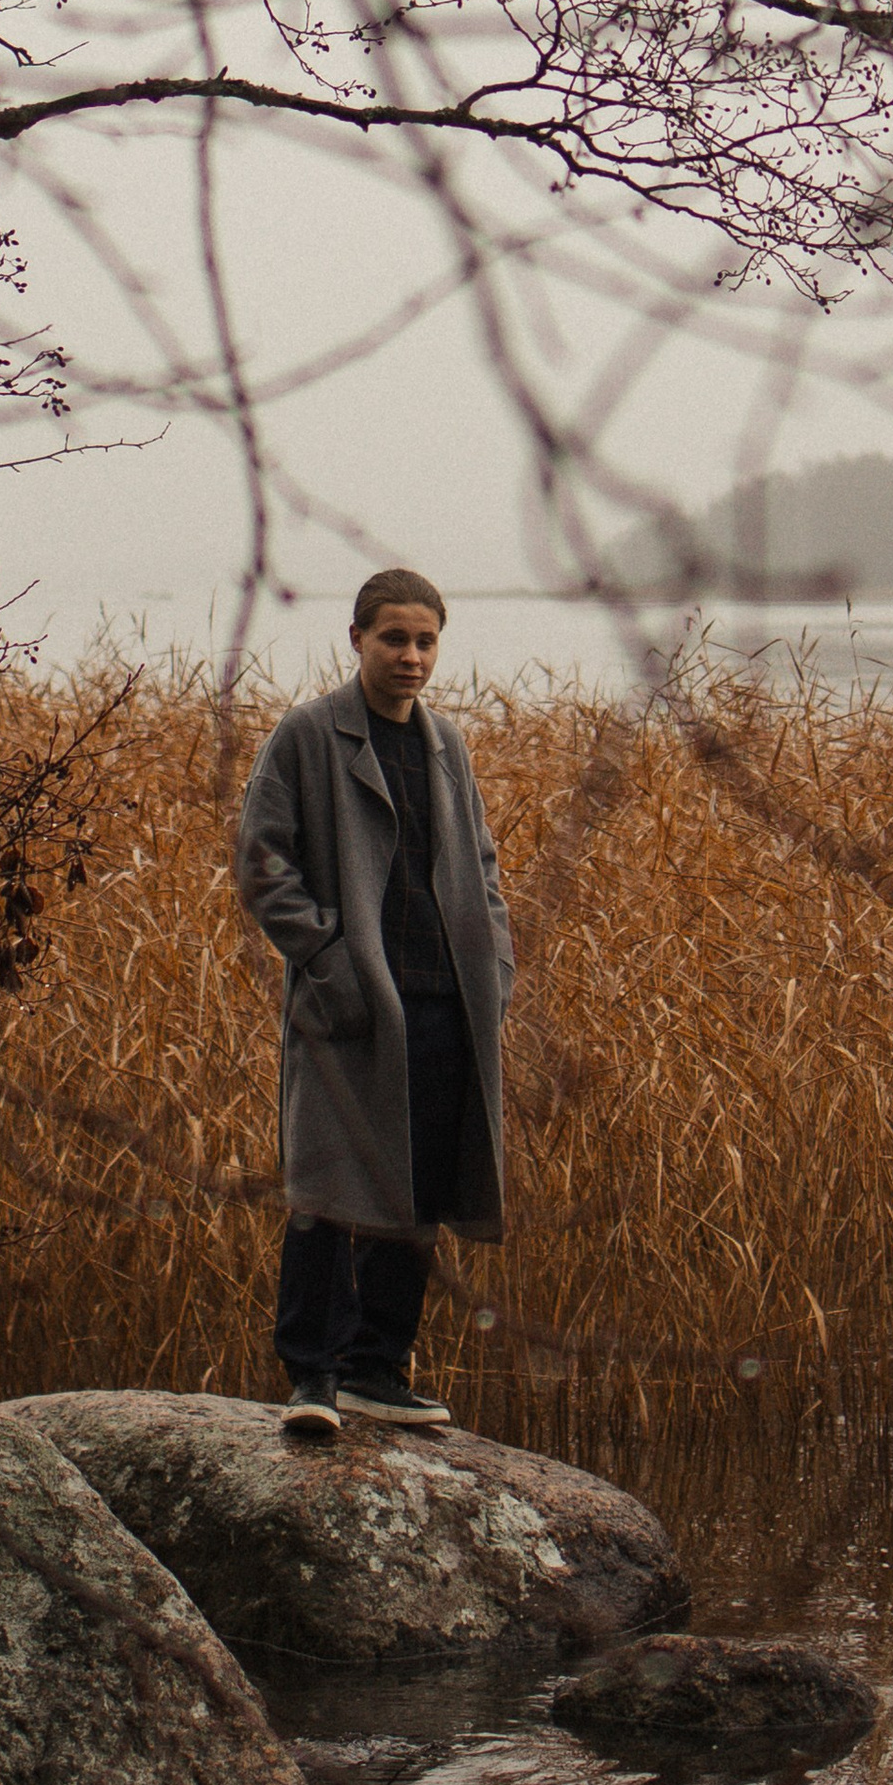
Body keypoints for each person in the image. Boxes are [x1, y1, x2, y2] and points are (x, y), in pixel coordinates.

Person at [233, 569, 514, 1435]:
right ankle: (312, 1377)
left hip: (445, 1002)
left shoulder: (445, 743)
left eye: (426, 640)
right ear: (356, 638)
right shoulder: (309, 735)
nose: (412, 656)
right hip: (351, 1008)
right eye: (395, 638)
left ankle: (377, 1372)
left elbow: (483, 867)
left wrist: (494, 967)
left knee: (416, 1191)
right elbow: (262, 862)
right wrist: (329, 961)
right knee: (327, 1188)